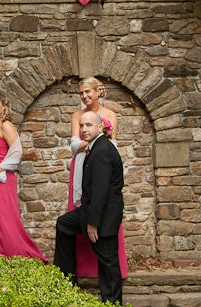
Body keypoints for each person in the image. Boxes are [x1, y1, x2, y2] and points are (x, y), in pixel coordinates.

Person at [54, 111, 124, 305]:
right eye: (82, 125)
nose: (84, 129)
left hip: (103, 216)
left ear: (100, 127)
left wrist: (93, 224)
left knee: (108, 263)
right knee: (63, 224)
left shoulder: (103, 151)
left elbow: (101, 192)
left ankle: (113, 303)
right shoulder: (96, 147)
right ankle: (66, 280)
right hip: (91, 210)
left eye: (89, 125)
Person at [69, 77, 128, 278]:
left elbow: (113, 147)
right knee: (81, 213)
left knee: (103, 206)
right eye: (81, 93)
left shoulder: (110, 114)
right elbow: (74, 146)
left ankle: (107, 268)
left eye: (88, 92)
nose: (85, 96)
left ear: (98, 92)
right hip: (81, 166)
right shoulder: (78, 115)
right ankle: (83, 267)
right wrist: (95, 139)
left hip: (101, 164)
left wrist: (95, 143)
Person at [0, 91, 47, 261]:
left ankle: (21, 258)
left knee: (4, 221)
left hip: (2, 180)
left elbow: (17, 151)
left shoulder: (5, 125)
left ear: (4, 107)